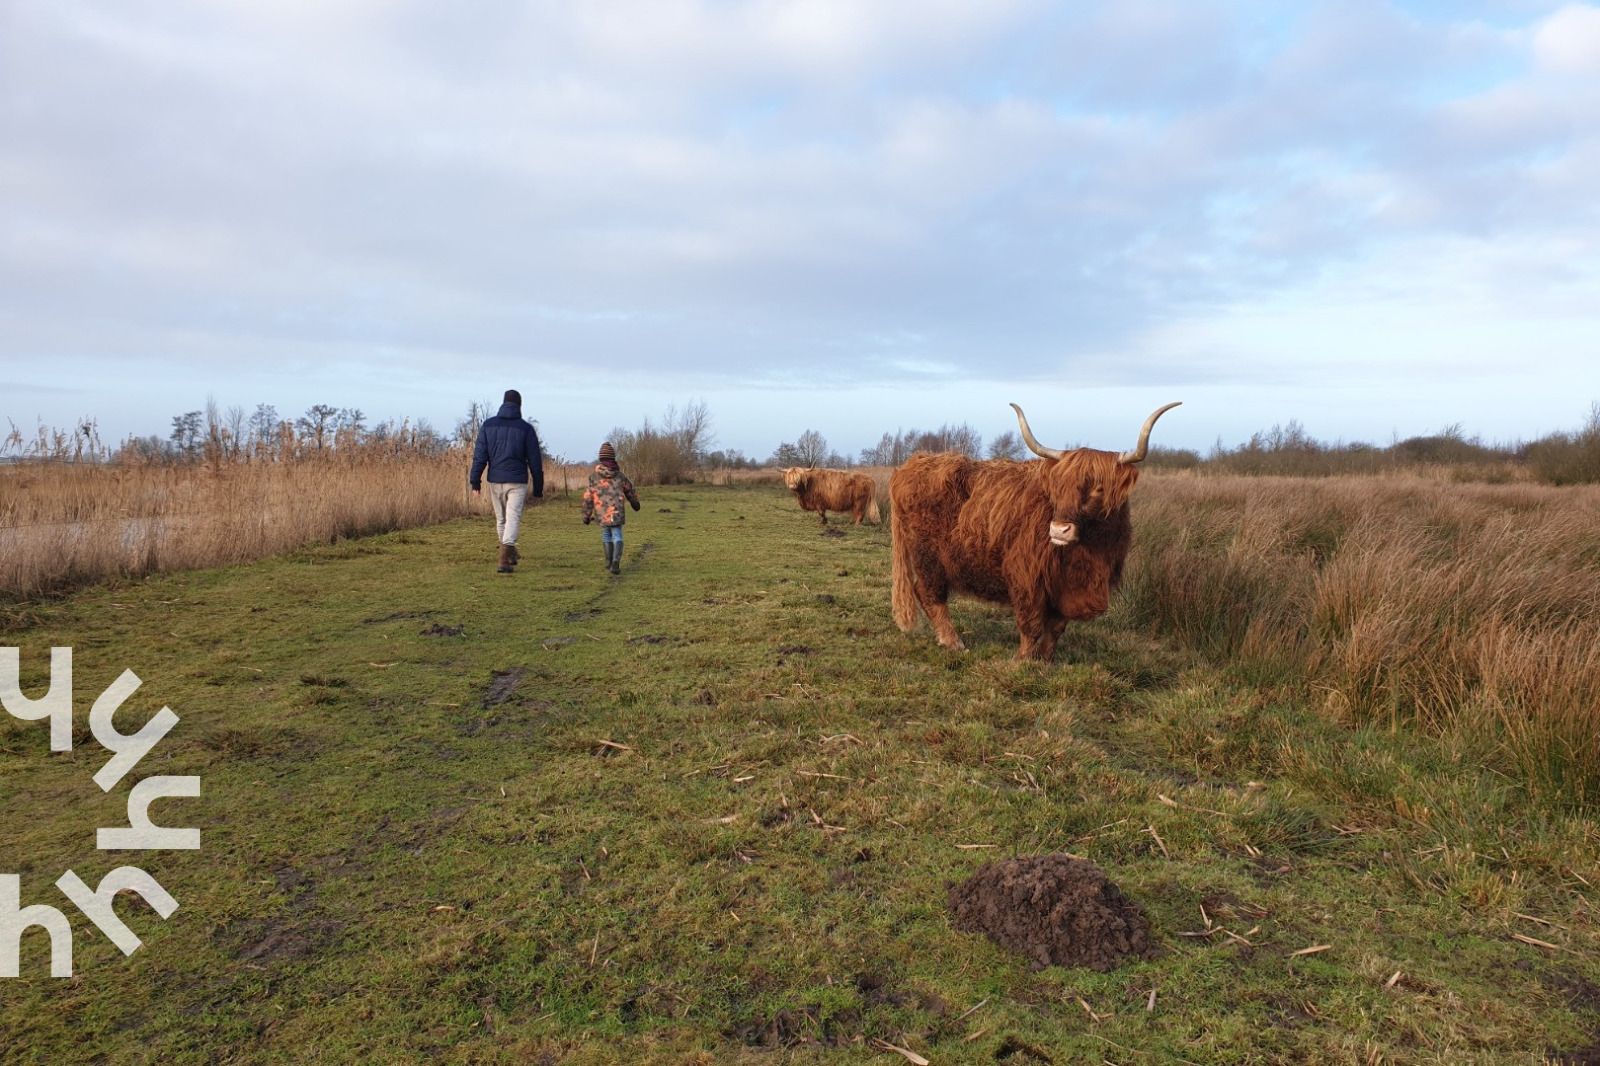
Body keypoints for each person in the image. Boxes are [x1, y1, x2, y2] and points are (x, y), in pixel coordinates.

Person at [468, 389, 544, 574]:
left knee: (502, 519)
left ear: (503, 403)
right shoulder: (526, 429)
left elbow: (480, 456)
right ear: (519, 405)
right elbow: (535, 460)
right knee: (513, 517)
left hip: (495, 479)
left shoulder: (488, 425)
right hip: (517, 481)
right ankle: (504, 558)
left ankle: (509, 552)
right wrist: (538, 487)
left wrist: (475, 481)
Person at [581, 442, 640, 575]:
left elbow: (588, 497)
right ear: (613, 458)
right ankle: (615, 562)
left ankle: (608, 561)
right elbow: (630, 490)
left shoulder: (594, 477)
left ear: (601, 459)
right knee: (617, 534)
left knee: (606, 534)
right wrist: (635, 503)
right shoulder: (620, 476)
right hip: (616, 511)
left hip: (602, 513)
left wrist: (586, 515)